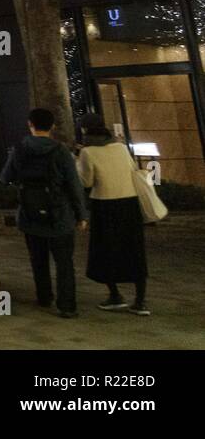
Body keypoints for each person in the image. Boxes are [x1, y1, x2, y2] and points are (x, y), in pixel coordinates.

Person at [0, 108, 88, 318]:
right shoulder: (61, 151)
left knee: (38, 259)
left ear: (30, 124)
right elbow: (74, 185)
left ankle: (44, 297)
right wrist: (81, 214)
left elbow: (4, 179)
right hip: (59, 214)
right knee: (64, 262)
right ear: (52, 126)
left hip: (30, 214)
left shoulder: (18, 150)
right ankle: (66, 305)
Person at [77, 115, 150, 316]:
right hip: (129, 203)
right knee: (134, 250)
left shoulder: (87, 152)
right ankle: (140, 301)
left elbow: (87, 182)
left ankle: (115, 295)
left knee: (105, 250)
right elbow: (132, 170)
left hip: (104, 205)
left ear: (85, 130)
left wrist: (77, 164)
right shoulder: (121, 147)